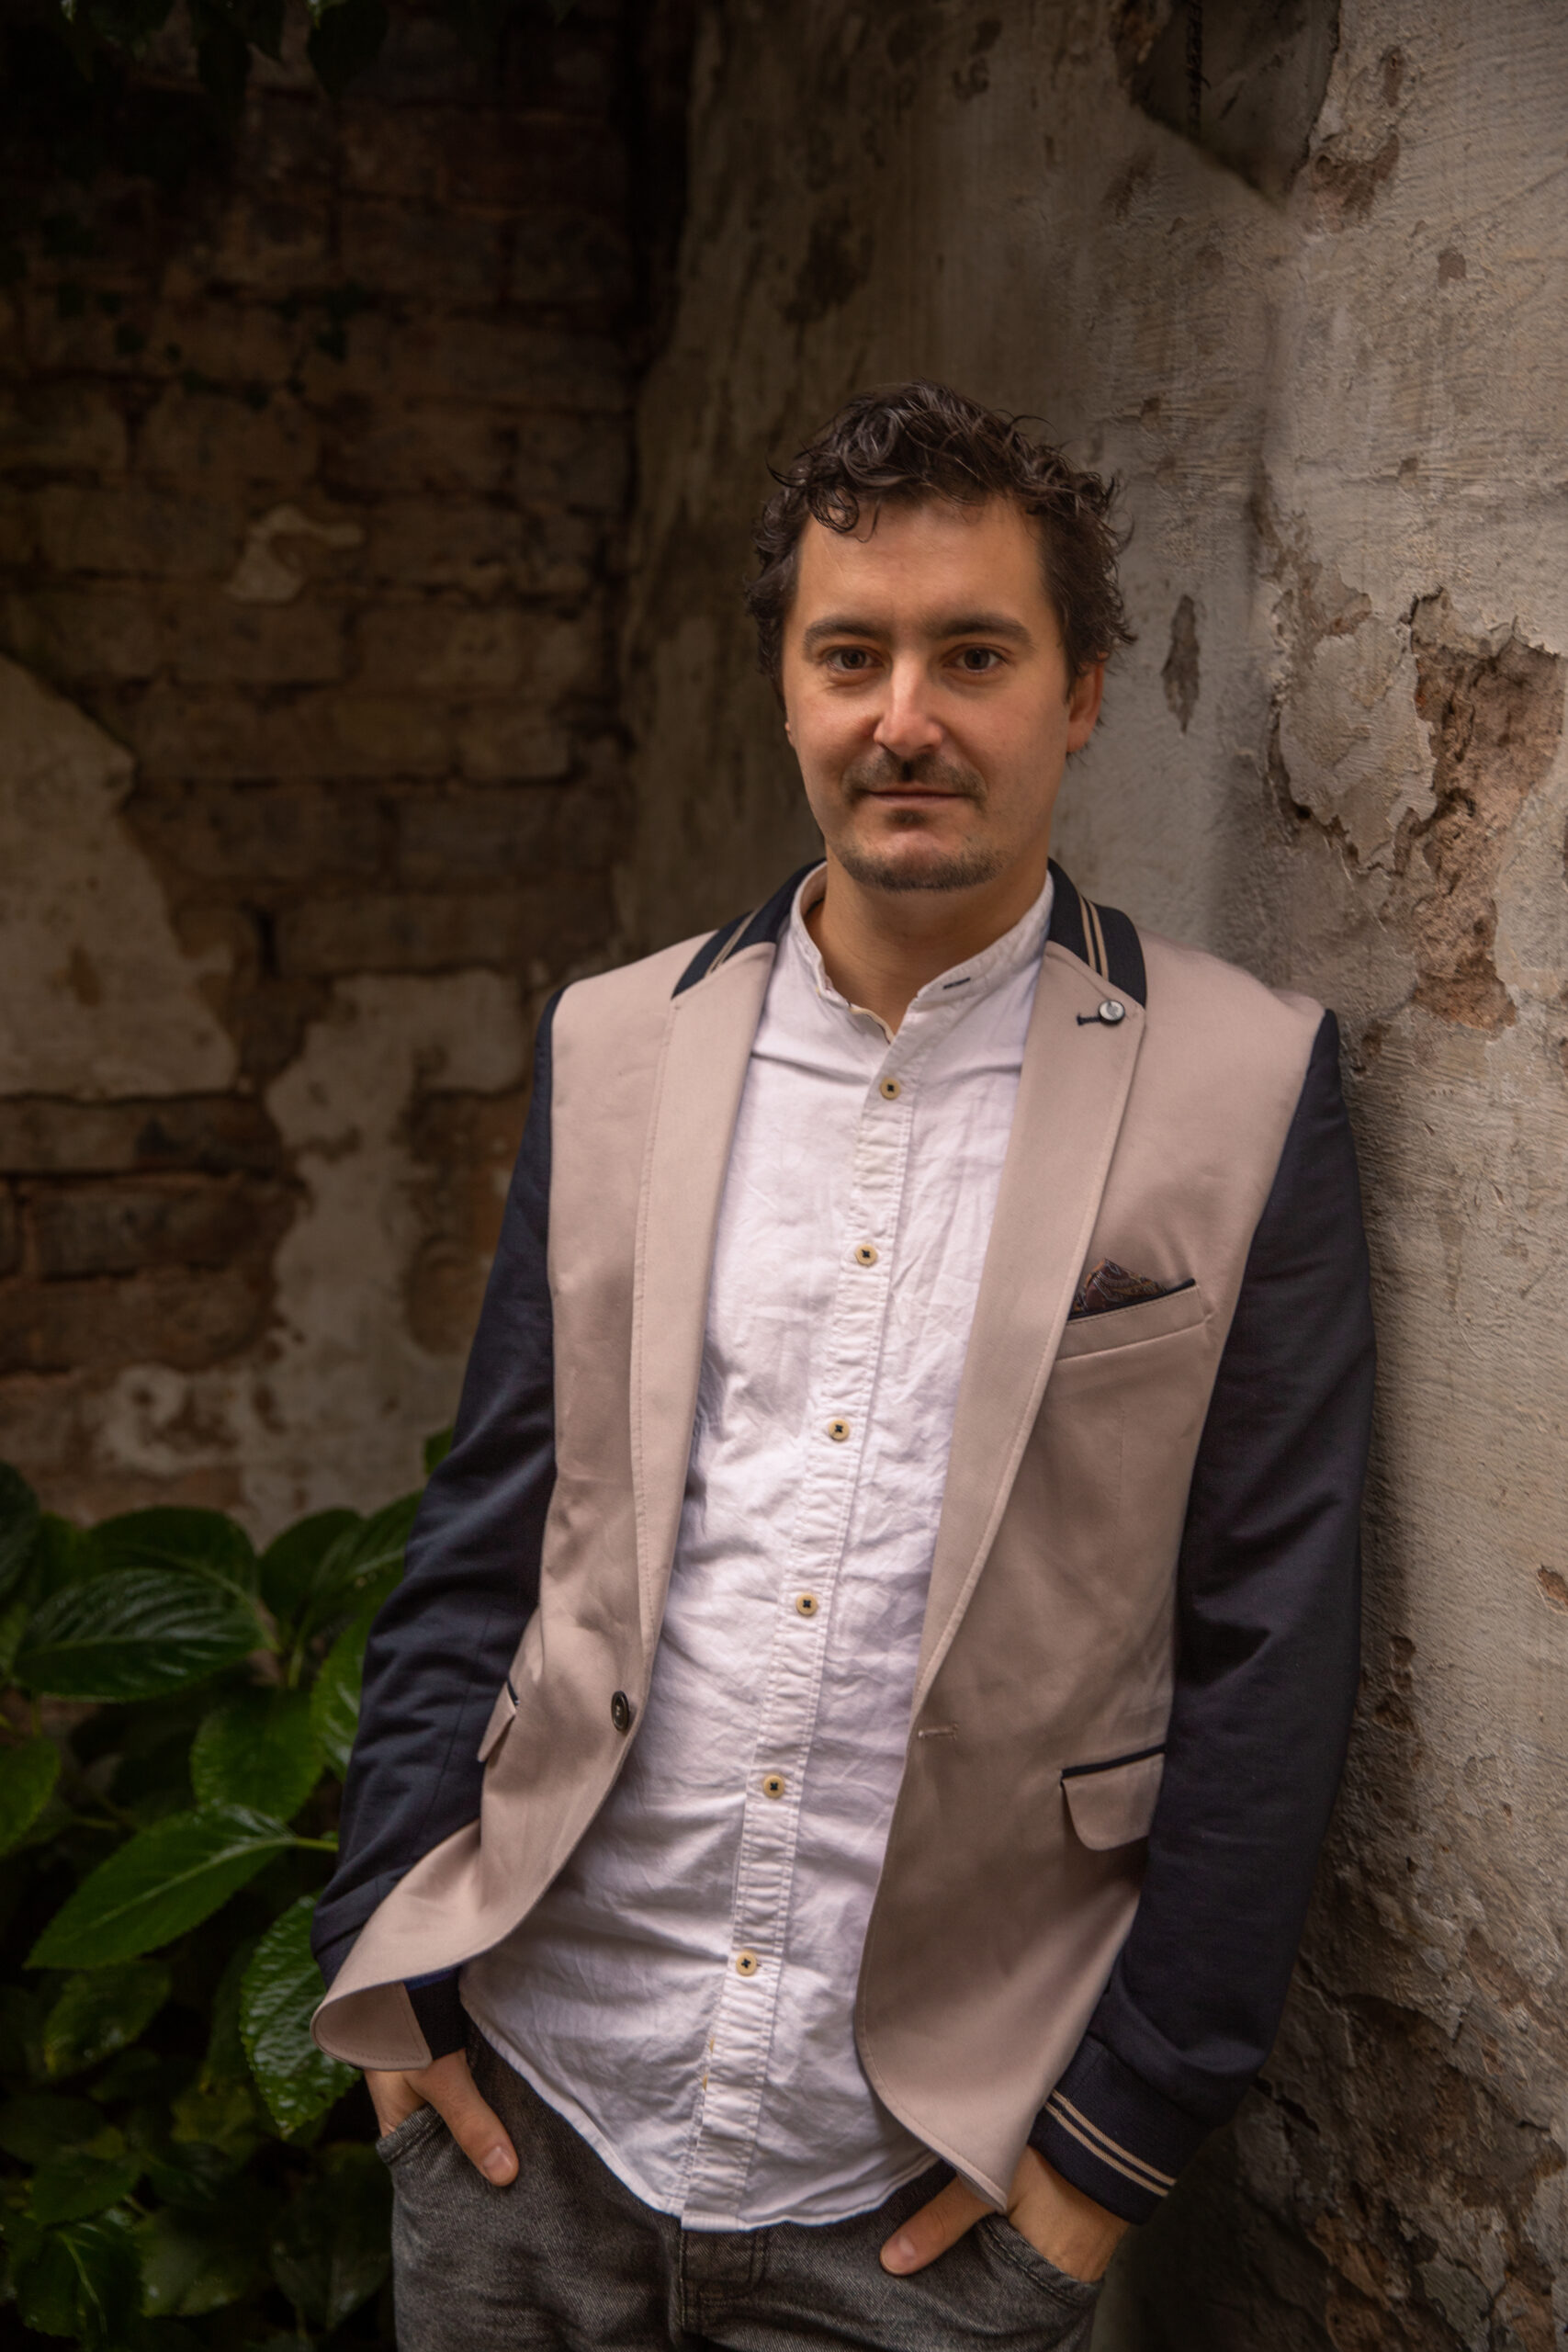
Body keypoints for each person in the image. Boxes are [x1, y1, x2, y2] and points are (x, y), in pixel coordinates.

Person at [310, 379, 1374, 2351]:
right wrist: (393, 1943)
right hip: (532, 2109)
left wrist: (1112, 2146)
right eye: (850, 655)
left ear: (1077, 694)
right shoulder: (613, 1041)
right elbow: (492, 1522)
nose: (905, 717)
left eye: (974, 654)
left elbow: (1270, 1641)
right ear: (787, 691)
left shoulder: (1245, 1080)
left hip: (919, 2178)